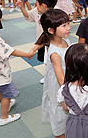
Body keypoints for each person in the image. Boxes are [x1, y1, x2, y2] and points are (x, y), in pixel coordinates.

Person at [0, 2, 36, 126]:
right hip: (1, 75)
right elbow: (11, 51)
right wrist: (28, 54)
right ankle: (4, 117)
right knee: (7, 94)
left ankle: (5, 105)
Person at [36, 9, 71, 138]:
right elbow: (61, 79)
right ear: (51, 30)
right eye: (64, 25)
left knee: (69, 116)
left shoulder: (65, 41)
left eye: (68, 23)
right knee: (59, 116)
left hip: (70, 80)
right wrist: (68, 94)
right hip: (60, 87)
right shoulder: (54, 53)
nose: (68, 27)